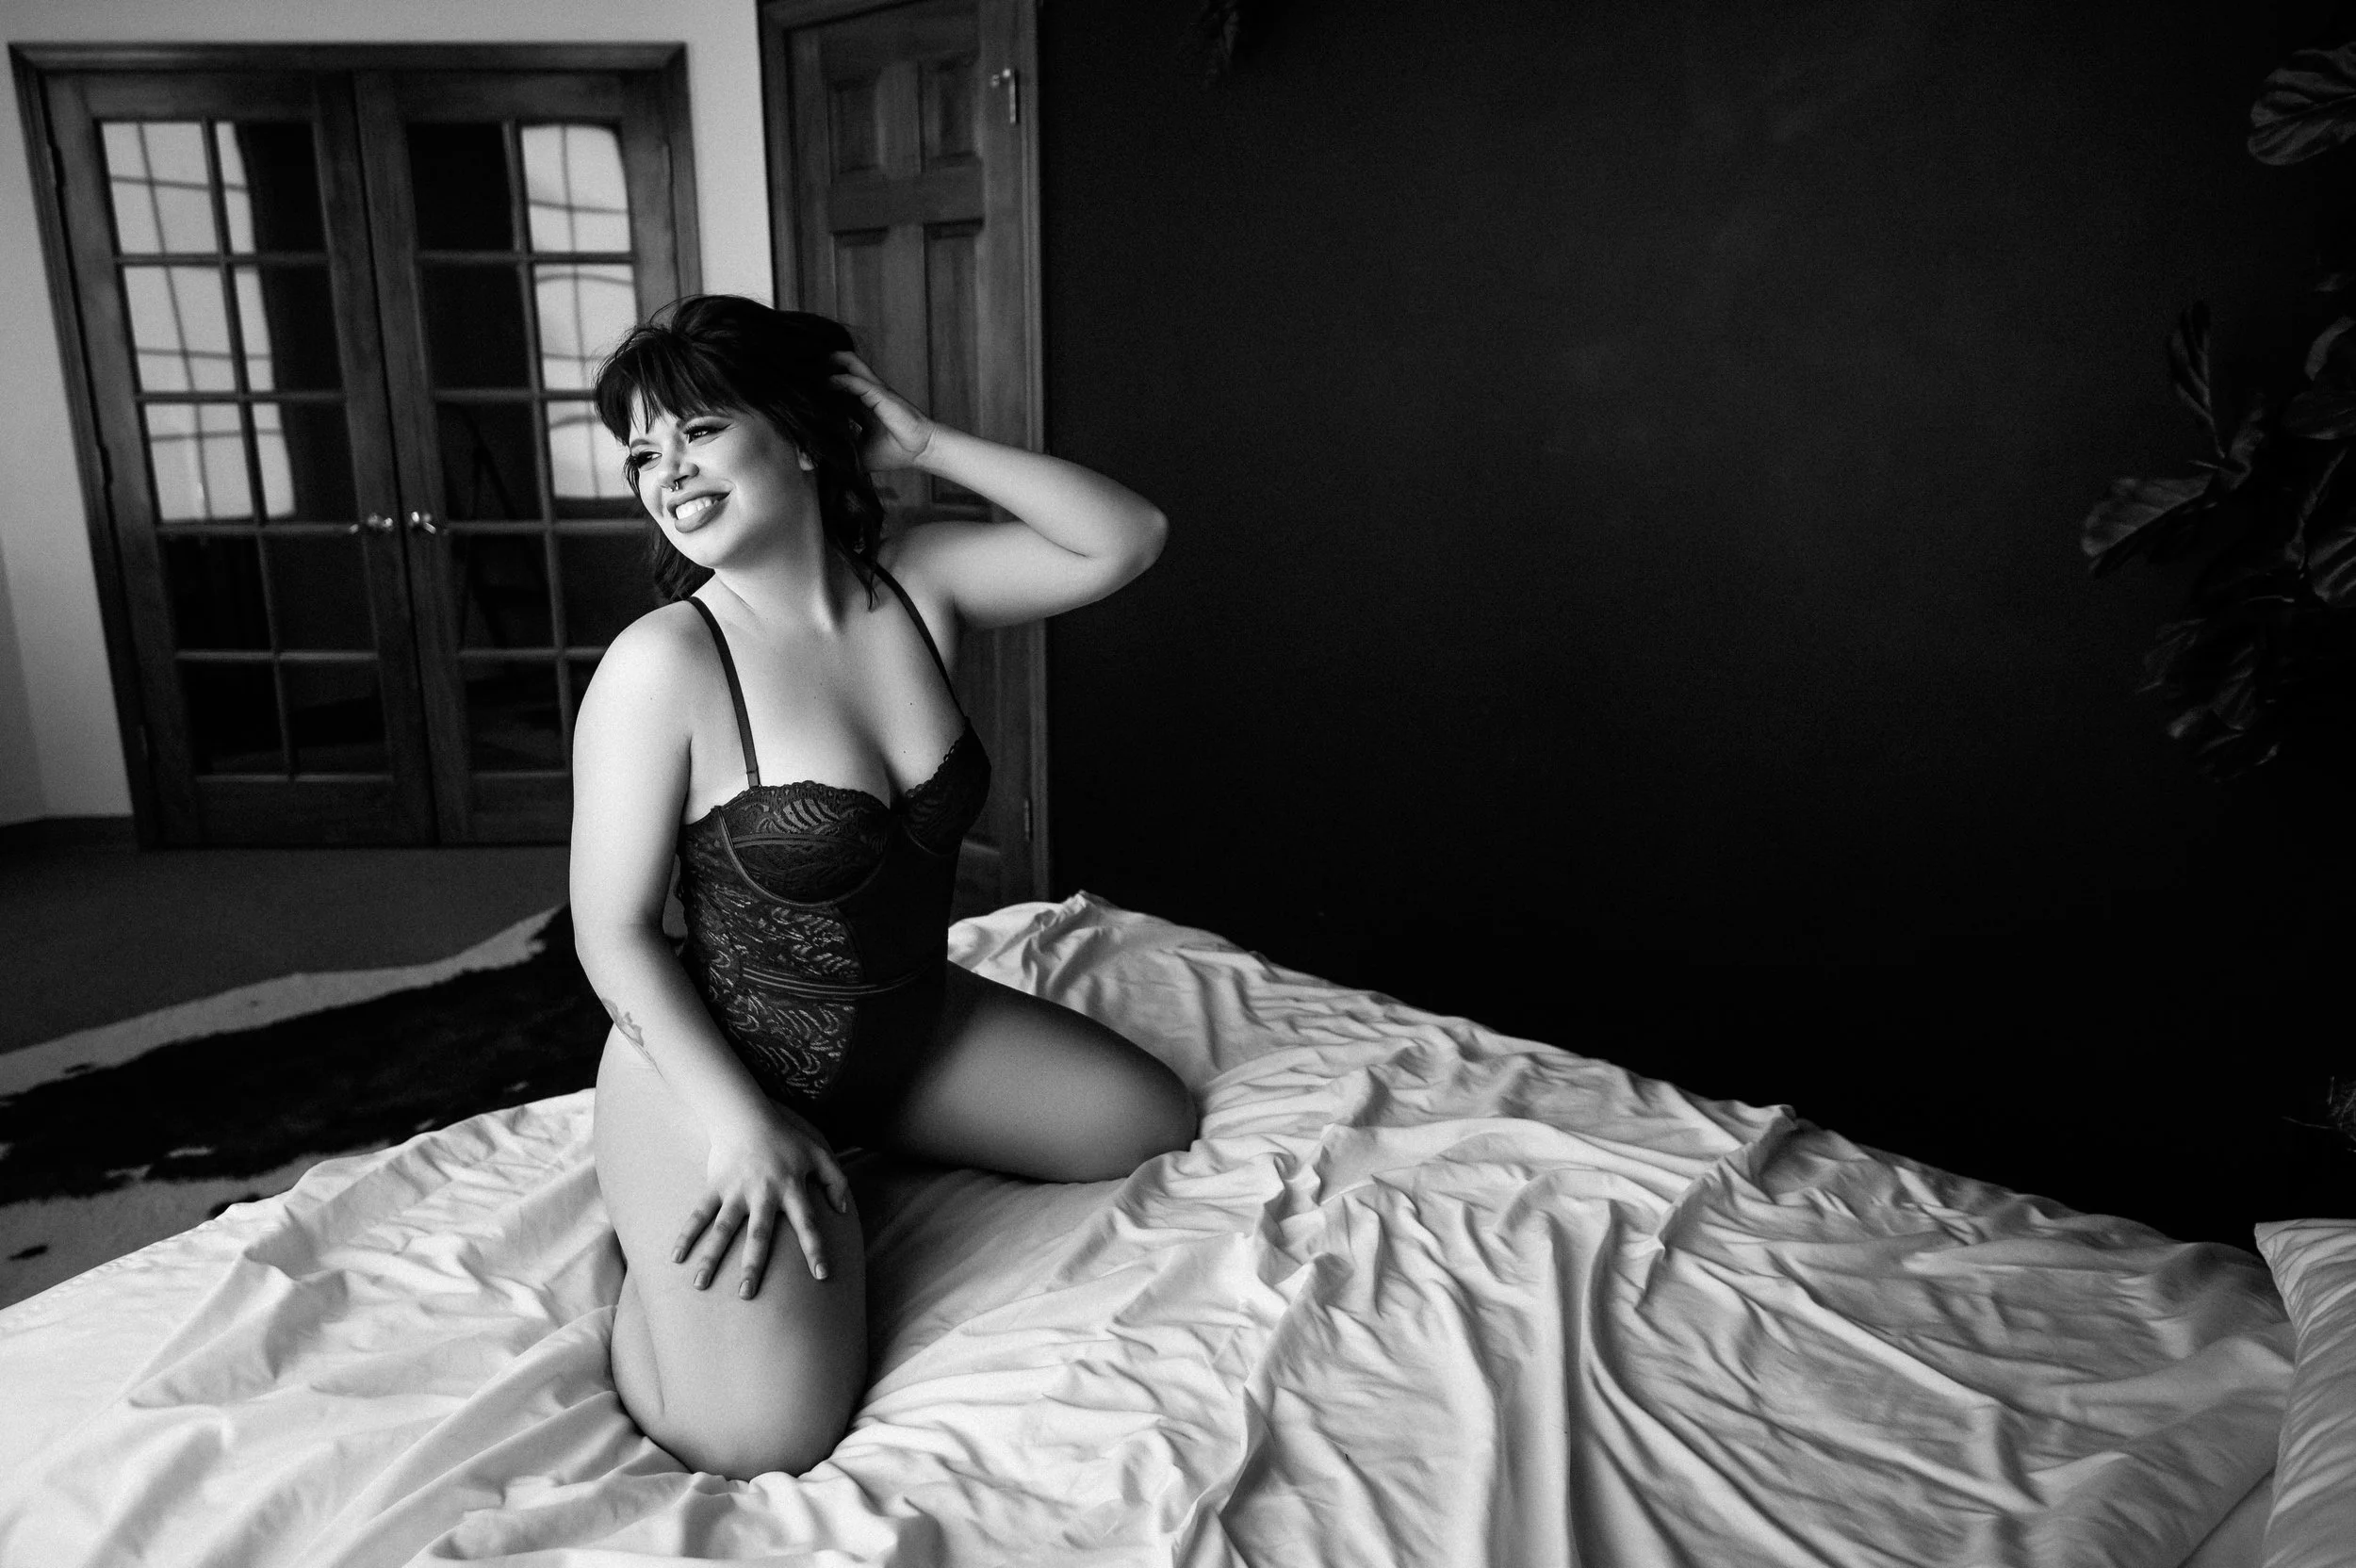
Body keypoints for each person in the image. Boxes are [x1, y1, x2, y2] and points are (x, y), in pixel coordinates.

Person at [570, 295, 1197, 1480]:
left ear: (805, 436)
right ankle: (653, 1253)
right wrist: (741, 1125)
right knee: (760, 1437)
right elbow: (612, 932)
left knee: (1147, 1123)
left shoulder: (917, 581)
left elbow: (1128, 536)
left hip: (909, 1028)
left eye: (699, 430)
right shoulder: (665, 661)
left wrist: (922, 440)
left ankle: (849, 1138)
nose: (669, 473)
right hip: (726, 1065)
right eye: (643, 453)